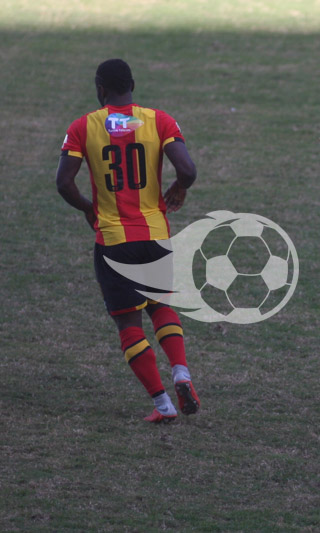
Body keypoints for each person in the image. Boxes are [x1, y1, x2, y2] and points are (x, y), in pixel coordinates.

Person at [56, 59, 200, 423]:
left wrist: (89, 208)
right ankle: (181, 372)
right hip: (155, 235)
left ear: (100, 88)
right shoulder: (158, 120)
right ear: (132, 84)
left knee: (128, 323)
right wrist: (178, 186)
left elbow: (63, 182)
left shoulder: (82, 128)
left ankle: (163, 404)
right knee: (161, 307)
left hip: (114, 240)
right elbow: (188, 170)